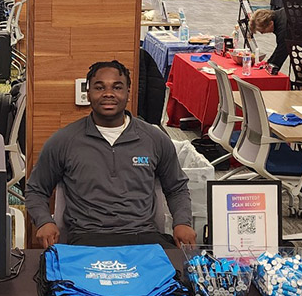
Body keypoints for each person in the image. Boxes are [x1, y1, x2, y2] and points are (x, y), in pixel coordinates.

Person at [25, 60, 196, 249]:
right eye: (99, 87)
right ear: (88, 93)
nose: (108, 94)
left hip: (144, 238)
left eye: (117, 87)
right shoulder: (64, 141)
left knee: (184, 275)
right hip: (87, 240)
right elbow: (36, 189)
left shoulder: (155, 139)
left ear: (128, 93)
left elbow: (176, 187)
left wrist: (182, 222)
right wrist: (43, 221)